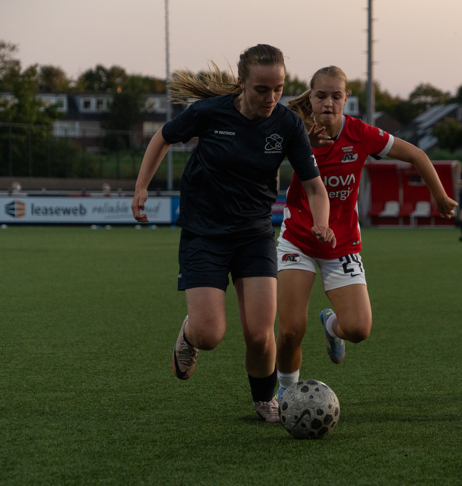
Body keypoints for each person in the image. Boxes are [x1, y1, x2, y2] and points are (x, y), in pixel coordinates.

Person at [130, 45, 334, 423]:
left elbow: (315, 188)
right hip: (203, 233)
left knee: (259, 334)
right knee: (209, 334)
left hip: (254, 235)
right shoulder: (209, 112)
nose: (271, 98)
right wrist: (142, 186)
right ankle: (190, 334)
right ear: (242, 83)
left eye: (278, 89)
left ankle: (264, 400)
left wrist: (322, 222)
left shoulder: (287, 125)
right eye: (261, 89)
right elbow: (162, 137)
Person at [274, 66, 457, 399]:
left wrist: (440, 196)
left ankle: (331, 326)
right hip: (298, 239)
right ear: (310, 98)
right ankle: (285, 395)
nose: (328, 103)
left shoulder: (361, 134)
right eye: (321, 96)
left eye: (336, 96)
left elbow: (416, 155)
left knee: (358, 329)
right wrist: (296, 148)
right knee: (290, 332)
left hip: (342, 243)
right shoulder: (295, 131)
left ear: (347, 98)